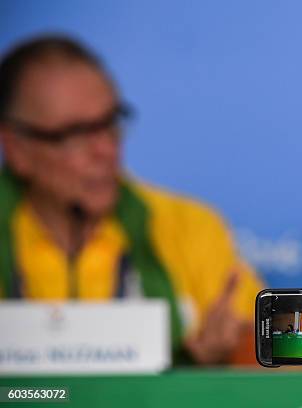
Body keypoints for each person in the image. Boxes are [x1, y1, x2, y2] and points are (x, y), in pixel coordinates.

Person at [0, 35, 263, 365]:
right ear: (17, 149)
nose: (106, 150)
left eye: (110, 123)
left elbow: (272, 355)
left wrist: (226, 354)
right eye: (76, 134)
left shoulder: (187, 226)